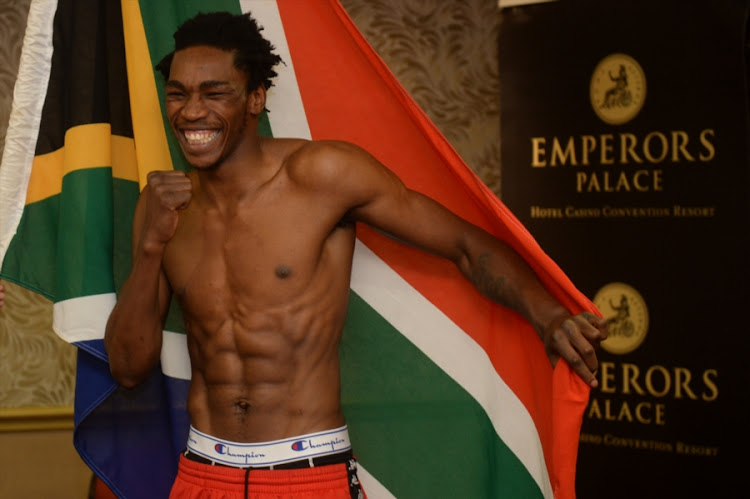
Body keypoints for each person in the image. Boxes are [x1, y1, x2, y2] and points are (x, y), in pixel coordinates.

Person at [104, 11, 607, 499]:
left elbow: (464, 244)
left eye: (215, 93)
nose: (192, 111)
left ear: (256, 98)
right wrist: (151, 246)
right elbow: (128, 368)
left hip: (306, 471)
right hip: (204, 472)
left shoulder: (322, 175)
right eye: (179, 94)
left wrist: (547, 315)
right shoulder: (163, 204)